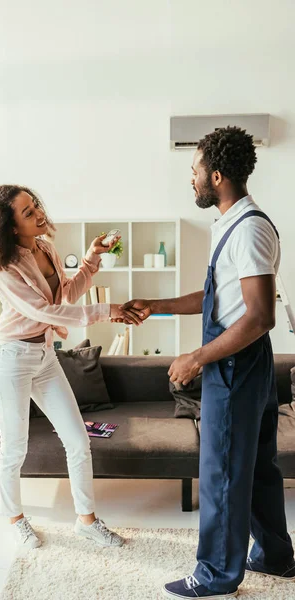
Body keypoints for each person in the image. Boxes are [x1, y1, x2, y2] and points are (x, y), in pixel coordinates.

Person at [119, 127, 295, 598]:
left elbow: (259, 317)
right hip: (243, 360)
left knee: (222, 470)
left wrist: (196, 358)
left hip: (236, 364)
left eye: (194, 171)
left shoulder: (251, 228)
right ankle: (275, 555)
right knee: (257, 465)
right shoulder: (232, 222)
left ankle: (217, 573)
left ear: (215, 176)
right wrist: (156, 304)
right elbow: (220, 299)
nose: (190, 179)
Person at [0, 184, 141, 548]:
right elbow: (44, 311)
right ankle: (15, 519)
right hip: (10, 360)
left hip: (44, 356)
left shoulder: (45, 248)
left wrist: (91, 257)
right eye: (28, 213)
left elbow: (64, 297)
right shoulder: (5, 267)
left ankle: (86, 521)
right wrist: (107, 310)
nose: (39, 214)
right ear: (11, 227)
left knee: (77, 440)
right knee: (14, 448)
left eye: (36, 206)